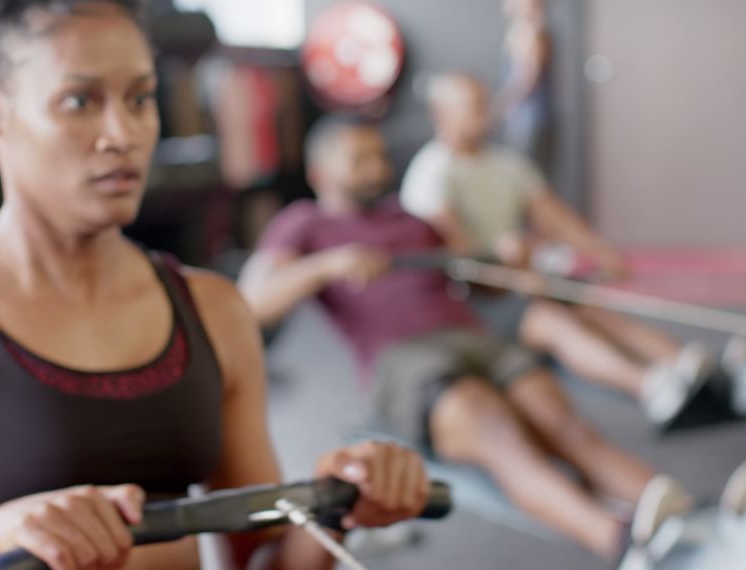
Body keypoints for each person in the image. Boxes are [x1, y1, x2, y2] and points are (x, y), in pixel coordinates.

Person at [0, 3, 431, 569]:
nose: (122, 133)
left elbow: (265, 563)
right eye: (79, 101)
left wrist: (340, 508)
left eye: (140, 98)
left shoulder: (214, 310)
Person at [238, 115, 694, 561]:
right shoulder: (304, 222)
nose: (376, 168)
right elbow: (252, 302)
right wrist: (327, 265)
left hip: (476, 339)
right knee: (497, 430)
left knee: (565, 425)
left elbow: (483, 284)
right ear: (321, 172)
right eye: (359, 159)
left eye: (378, 156)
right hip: (405, 360)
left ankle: (698, 522)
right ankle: (623, 543)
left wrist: (509, 260)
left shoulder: (411, 219)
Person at [401, 72, 716, 427]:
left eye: (485, 105)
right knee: (550, 322)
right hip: (473, 300)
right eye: (474, 108)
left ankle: (688, 364)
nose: (486, 115)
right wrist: (510, 272)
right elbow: (457, 255)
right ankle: (652, 388)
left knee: (591, 304)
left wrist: (603, 254)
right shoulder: (431, 175)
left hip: (522, 277)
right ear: (442, 114)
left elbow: (555, 217)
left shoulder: (505, 164)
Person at [496, 0, 555, 176]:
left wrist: (501, 104)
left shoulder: (530, 35)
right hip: (527, 119)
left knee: (526, 176)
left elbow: (527, 79)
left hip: (528, 120)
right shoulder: (524, 32)